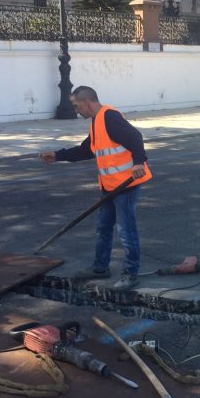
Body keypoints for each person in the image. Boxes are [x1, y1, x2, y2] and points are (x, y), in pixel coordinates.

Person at [39, 86, 152, 291]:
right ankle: (100, 268)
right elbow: (86, 150)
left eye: (76, 106)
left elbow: (135, 137)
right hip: (110, 185)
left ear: (86, 102)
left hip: (126, 184)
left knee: (126, 231)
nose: (76, 110)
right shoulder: (97, 121)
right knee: (103, 227)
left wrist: (138, 162)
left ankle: (131, 273)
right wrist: (58, 155)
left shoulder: (109, 117)